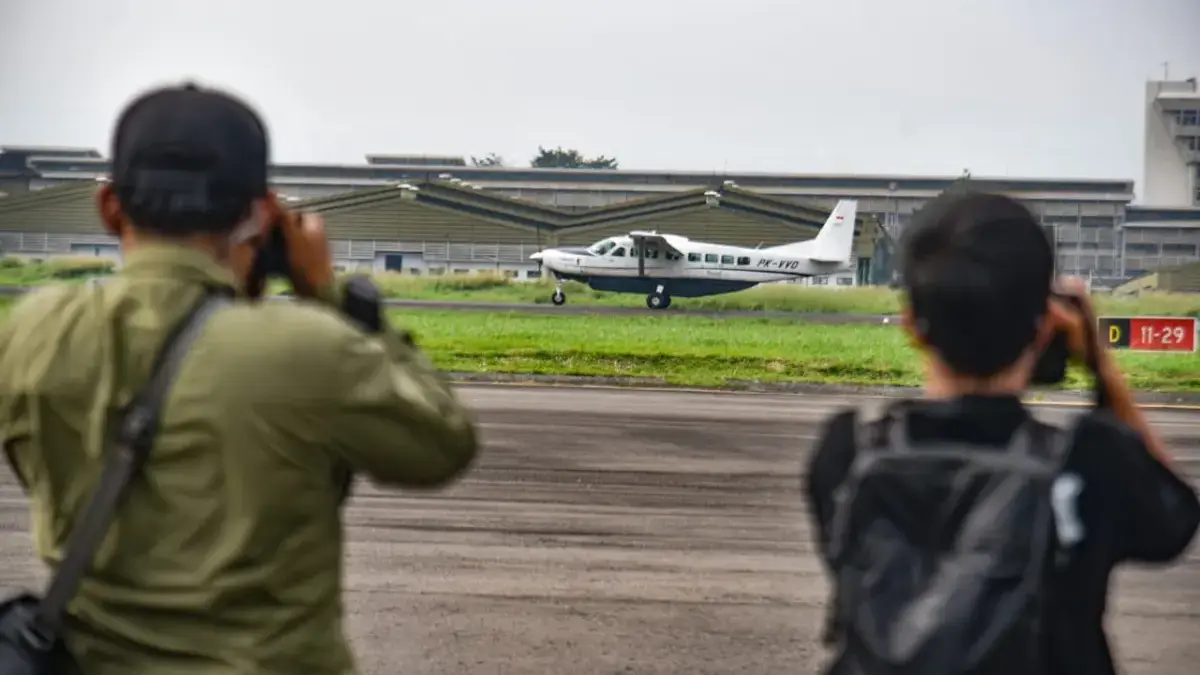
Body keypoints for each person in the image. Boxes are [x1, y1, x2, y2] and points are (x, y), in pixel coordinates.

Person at [0, 83, 479, 674]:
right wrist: (329, 293)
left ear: (108, 207)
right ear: (262, 214)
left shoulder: (31, 332)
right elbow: (443, 444)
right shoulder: (309, 347)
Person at [804, 191, 1200, 675]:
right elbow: (1173, 522)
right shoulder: (1091, 461)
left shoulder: (846, 455)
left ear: (912, 326)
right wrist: (1100, 363)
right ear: (1043, 329)